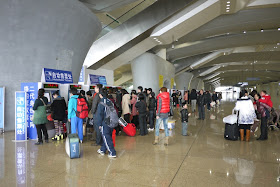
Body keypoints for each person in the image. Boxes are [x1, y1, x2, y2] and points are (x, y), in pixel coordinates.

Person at [96, 88, 117, 158]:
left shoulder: (101, 102)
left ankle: (112, 152)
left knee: (106, 136)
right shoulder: (110, 101)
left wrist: (99, 124)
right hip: (112, 121)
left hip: (105, 122)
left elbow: (99, 114)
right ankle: (103, 149)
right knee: (107, 136)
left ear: (100, 95)